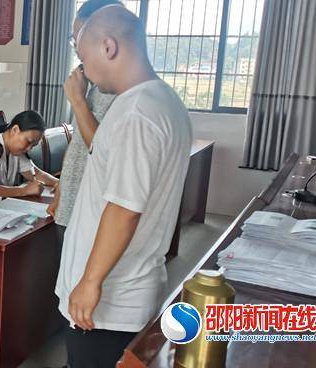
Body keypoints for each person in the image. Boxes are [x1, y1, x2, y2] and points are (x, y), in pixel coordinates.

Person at [54, 5, 193, 368]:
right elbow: (107, 156)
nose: (84, 71)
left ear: (109, 47)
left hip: (111, 301)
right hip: (123, 290)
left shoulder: (138, 113)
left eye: (84, 57)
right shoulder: (157, 101)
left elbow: (124, 209)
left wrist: (89, 281)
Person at [47, 0, 120, 240]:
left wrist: (77, 101)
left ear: (107, 42)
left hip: (93, 212)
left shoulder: (124, 94)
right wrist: (61, 187)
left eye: (79, 40)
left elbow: (104, 151)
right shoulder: (94, 85)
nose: (77, 50)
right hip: (71, 203)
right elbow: (79, 140)